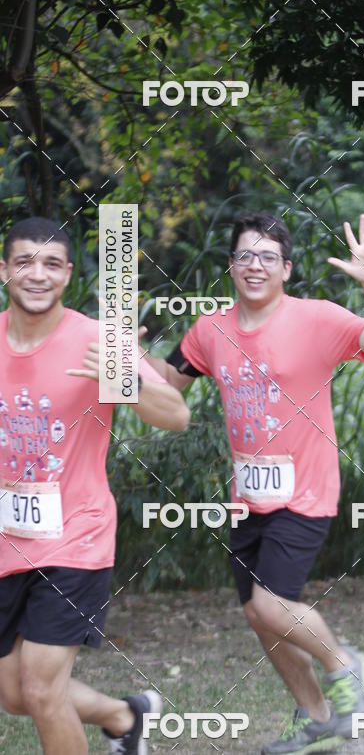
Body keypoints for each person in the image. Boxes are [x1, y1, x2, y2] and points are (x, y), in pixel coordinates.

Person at [146, 211, 364, 754]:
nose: (255, 265)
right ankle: (315, 717)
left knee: (270, 606)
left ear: (286, 269)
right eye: (245, 255)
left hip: (306, 490)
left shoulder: (316, 319)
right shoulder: (210, 331)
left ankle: (345, 665)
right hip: (248, 498)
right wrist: (127, 355)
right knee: (259, 616)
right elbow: (167, 383)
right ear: (231, 267)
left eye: (268, 256)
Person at [0, 217, 190, 755]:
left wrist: (123, 378)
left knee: (39, 687)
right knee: (13, 692)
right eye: (24, 262)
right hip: (8, 541)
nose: (37, 275)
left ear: (66, 274)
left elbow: (175, 414)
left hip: (76, 538)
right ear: (4, 270)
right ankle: (124, 716)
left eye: (52, 264)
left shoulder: (96, 339)